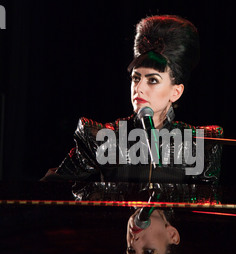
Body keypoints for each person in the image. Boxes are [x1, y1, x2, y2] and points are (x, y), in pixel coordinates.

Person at [41, 14, 223, 184]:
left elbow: (208, 207)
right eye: (136, 78)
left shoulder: (198, 143)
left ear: (176, 92)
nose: (139, 88)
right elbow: (49, 191)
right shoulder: (104, 137)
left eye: (153, 80)